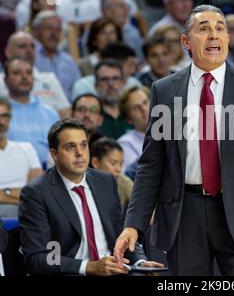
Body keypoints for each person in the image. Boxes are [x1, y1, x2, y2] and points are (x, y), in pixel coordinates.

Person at [114, 4, 234, 276]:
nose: (214, 35)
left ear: (229, 39)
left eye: (220, 29)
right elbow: (151, 165)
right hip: (184, 213)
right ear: (186, 41)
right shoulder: (164, 91)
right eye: (203, 29)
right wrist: (133, 224)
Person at [19, 119, 164, 275]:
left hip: (113, 269)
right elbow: (38, 258)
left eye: (83, 145)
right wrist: (89, 267)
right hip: (72, 272)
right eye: (70, 147)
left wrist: (140, 262)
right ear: (54, 154)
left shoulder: (106, 181)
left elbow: (120, 233)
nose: (79, 153)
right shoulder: (37, 193)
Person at [0, 31, 71, 118]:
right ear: (8, 52)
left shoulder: (49, 79)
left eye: (32, 46)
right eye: (22, 46)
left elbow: (65, 112)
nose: (29, 50)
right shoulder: (0, 82)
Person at [4, 58, 59, 167]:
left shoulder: (50, 113)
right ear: (6, 80)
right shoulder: (2, 113)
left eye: (28, 73)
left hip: (48, 175)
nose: (24, 77)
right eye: (17, 73)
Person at [0, 97, 42, 218]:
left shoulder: (27, 148)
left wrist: (3, 194)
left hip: (26, 211)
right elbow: (28, 194)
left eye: (4, 116)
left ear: (10, 119)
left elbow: (36, 192)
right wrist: (19, 194)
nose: (1, 122)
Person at [90, 137, 133, 210]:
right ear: (96, 163)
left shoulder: (123, 181)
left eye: (121, 164)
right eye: (113, 163)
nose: (118, 169)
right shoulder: (85, 185)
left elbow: (143, 207)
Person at [118, 86, 150, 171]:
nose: (144, 109)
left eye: (145, 102)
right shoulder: (125, 143)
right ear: (129, 119)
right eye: (136, 107)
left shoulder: (171, 131)